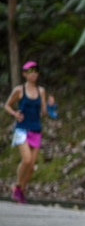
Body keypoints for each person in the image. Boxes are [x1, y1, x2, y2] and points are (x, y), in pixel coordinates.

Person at [4, 61, 49, 203]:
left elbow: (44, 111)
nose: (33, 73)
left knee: (31, 166)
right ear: (24, 74)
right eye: (30, 71)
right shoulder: (19, 90)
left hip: (36, 129)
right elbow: (7, 105)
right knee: (27, 159)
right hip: (21, 129)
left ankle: (21, 190)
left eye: (35, 70)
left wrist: (50, 107)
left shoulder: (41, 91)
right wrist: (14, 114)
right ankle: (17, 186)